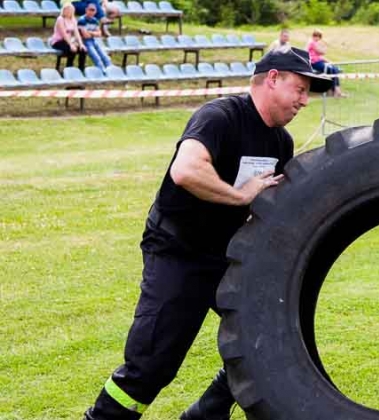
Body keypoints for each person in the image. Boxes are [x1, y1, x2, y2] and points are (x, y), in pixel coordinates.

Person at [82, 48, 333, 420]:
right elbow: (185, 171)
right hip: (178, 251)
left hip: (226, 255)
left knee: (268, 342)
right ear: (273, 78)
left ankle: (206, 414)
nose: (304, 101)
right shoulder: (220, 117)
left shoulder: (281, 143)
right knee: (151, 364)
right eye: (300, 89)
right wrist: (239, 196)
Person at [306, 29, 346, 97]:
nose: (318, 38)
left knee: (334, 70)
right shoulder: (312, 43)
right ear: (314, 36)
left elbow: (319, 56)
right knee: (332, 70)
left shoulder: (314, 43)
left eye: (319, 37)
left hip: (318, 62)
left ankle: (337, 91)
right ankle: (336, 91)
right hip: (314, 63)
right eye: (317, 36)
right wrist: (325, 46)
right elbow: (322, 52)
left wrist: (330, 62)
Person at [50, 3, 87, 71]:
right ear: (63, 10)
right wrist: (71, 45)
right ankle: (69, 68)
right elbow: (64, 34)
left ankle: (81, 69)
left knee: (83, 50)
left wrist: (81, 44)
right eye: (67, 10)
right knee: (72, 50)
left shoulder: (73, 19)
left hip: (68, 40)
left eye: (70, 10)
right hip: (58, 41)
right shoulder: (60, 19)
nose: (69, 11)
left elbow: (76, 33)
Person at [78, 3, 113, 72]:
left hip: (93, 41)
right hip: (85, 42)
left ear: (95, 11)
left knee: (105, 57)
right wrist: (94, 33)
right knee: (96, 58)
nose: (91, 12)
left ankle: (111, 71)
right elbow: (85, 36)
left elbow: (99, 34)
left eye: (93, 10)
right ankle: (103, 72)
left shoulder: (95, 20)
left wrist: (90, 32)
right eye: (90, 10)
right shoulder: (82, 20)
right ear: (86, 10)